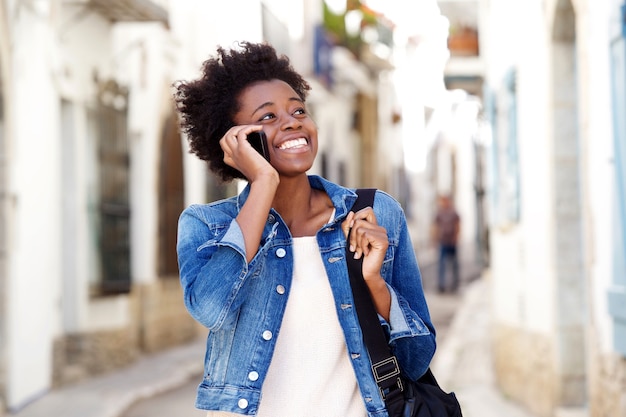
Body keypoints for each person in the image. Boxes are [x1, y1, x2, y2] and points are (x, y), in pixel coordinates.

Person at [173, 41, 436, 417]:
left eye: (298, 110)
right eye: (267, 117)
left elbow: (417, 360)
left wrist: (376, 284)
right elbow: (211, 310)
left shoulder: (373, 214)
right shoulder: (207, 226)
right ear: (235, 141)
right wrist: (263, 183)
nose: (293, 121)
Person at [433, 195, 461, 293]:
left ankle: (455, 284)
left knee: (454, 264)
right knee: (442, 264)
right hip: (443, 241)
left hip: (452, 241)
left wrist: (456, 237)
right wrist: (435, 239)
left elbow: (457, 225)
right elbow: (436, 226)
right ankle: (441, 285)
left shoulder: (453, 213)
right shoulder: (439, 213)